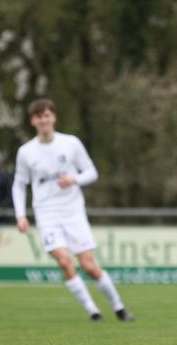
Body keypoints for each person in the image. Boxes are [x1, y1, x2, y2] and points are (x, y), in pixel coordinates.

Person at [12, 98, 134, 322]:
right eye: (39, 117)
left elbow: (91, 172)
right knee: (64, 261)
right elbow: (19, 184)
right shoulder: (26, 152)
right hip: (46, 213)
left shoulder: (71, 143)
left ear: (54, 117)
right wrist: (20, 215)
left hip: (73, 212)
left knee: (89, 266)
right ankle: (93, 311)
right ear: (33, 121)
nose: (44, 120)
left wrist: (75, 179)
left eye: (47, 115)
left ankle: (119, 307)